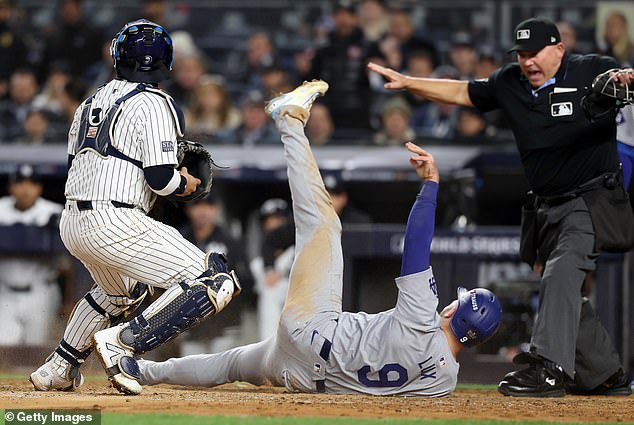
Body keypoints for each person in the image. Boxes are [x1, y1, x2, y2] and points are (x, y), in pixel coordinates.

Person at [135, 80, 503, 396]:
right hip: (303, 379)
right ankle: (142, 372)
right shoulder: (444, 381)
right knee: (229, 365)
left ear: (454, 311)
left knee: (324, 225)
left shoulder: (423, 319)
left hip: (313, 332)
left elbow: (417, 245)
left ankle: (289, 120)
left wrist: (430, 186)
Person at [368, 17, 633, 397]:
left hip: (591, 198)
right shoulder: (510, 82)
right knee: (560, 283)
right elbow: (461, 92)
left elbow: (622, 77)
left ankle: (548, 367)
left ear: (558, 49)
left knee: (561, 270)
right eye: (522, 54)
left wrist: (625, 78)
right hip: (546, 204)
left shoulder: (591, 68)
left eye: (535, 52)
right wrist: (410, 82)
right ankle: (604, 373)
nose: (527, 62)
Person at [29, 19, 241, 396]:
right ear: (165, 61)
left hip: (74, 219)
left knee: (120, 294)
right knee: (215, 280)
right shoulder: (157, 101)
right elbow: (161, 180)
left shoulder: (88, 103)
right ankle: (123, 343)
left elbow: (78, 166)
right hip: (116, 220)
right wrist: (186, 184)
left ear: (118, 57)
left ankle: (59, 368)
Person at [0, 164, 63, 346]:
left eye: (31, 184)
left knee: (37, 347)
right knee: (4, 347)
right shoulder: (1, 209)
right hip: (6, 293)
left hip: (41, 291)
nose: (25, 189)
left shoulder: (53, 212)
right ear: (11, 187)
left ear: (39, 188)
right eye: (20, 183)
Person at [249, 198, 294, 340]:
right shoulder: (260, 252)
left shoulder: (297, 243)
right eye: (267, 219)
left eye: (277, 218)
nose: (272, 223)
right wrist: (272, 269)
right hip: (274, 297)